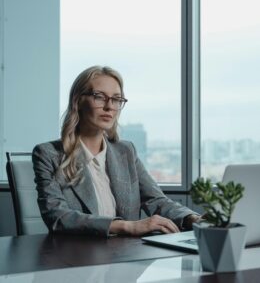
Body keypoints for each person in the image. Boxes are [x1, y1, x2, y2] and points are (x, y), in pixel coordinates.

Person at [32, 65, 201, 237]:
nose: (109, 106)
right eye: (99, 97)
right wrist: (127, 226)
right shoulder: (48, 154)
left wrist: (193, 219)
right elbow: (58, 216)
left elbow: (155, 200)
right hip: (77, 256)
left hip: (127, 255)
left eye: (116, 99)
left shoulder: (126, 151)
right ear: (78, 101)